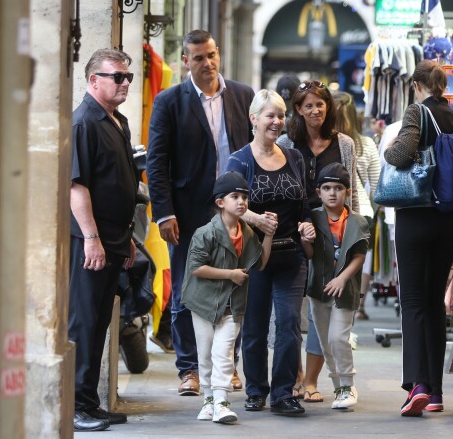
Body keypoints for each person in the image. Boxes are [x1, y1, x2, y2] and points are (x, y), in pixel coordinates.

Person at [146, 29, 254, 396]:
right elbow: (156, 163)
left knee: (234, 288)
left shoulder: (243, 96)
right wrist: (164, 213)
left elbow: (254, 152)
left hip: (236, 212)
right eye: (198, 58)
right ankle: (189, 369)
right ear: (185, 62)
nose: (206, 63)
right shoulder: (169, 102)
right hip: (188, 212)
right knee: (186, 290)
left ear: (218, 54)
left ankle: (228, 366)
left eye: (211, 55)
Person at [383, 60, 453, 417]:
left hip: (416, 217)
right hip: (448, 221)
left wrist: (389, 148)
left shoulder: (416, 112)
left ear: (417, 85)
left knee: (414, 301)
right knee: (434, 303)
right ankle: (435, 392)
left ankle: (417, 383)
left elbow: (400, 155)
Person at [226, 89, 316, 415]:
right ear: (254, 119)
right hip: (253, 258)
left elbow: (305, 204)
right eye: (270, 115)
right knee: (255, 326)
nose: (277, 122)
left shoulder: (294, 158)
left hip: (291, 255)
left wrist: (308, 225)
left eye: (281, 115)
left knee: (290, 323)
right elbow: (228, 205)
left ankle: (282, 393)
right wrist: (256, 219)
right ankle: (255, 390)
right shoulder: (239, 160)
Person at [69, 48, 138, 432]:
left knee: (99, 325)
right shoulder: (84, 123)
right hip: (88, 242)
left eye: (127, 77)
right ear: (94, 80)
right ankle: (75, 406)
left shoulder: (117, 121)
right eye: (117, 76)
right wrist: (92, 238)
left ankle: (89, 402)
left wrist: (125, 237)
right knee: (82, 322)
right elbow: (76, 187)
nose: (125, 82)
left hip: (114, 238)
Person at [277, 80, 358, 403]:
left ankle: (311, 380)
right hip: (291, 232)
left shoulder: (345, 144)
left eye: (320, 104)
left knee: (320, 312)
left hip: (331, 236)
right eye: (308, 105)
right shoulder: (286, 142)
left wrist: (354, 232)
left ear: (329, 108)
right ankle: (293, 376)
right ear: (298, 109)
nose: (315, 110)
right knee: (289, 311)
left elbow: (350, 192)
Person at [181, 171, 276, 424]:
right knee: (205, 354)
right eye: (235, 196)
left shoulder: (247, 234)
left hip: (232, 304)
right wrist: (230, 274)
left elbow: (262, 263)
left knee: (223, 352)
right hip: (203, 303)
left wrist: (268, 234)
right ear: (220, 202)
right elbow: (195, 267)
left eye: (245, 196)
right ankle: (209, 401)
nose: (242, 201)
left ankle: (222, 402)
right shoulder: (206, 233)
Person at [300, 163, 370, 410]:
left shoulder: (358, 222)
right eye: (327, 188)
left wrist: (343, 278)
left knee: (338, 336)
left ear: (348, 192)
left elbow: (359, 256)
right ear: (318, 192)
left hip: (345, 291)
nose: (332, 193)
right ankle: (337, 385)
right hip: (318, 289)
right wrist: (305, 240)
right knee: (325, 341)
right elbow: (309, 254)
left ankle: (348, 385)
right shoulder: (313, 218)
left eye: (339, 188)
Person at [334, 92, 381, 320]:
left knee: (331, 268)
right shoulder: (366, 144)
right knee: (354, 269)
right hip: (362, 214)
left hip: (332, 215)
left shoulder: (325, 145)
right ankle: (349, 318)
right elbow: (380, 186)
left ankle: (333, 318)